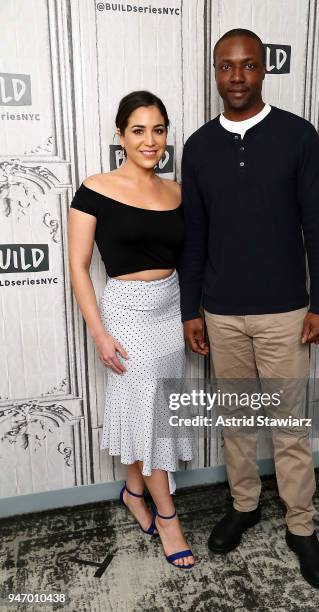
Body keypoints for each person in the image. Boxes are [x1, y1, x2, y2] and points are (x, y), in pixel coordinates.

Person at [178, 29, 319, 588]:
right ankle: (244, 506)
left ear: (264, 70)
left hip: (286, 313)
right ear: (216, 73)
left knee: (289, 427)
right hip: (221, 313)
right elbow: (194, 235)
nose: (237, 77)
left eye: (247, 66)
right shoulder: (198, 146)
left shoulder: (297, 136)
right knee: (238, 425)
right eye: (227, 67)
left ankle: (301, 526)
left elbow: (317, 224)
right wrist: (190, 309)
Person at [68, 91, 194, 569]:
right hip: (126, 312)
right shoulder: (95, 188)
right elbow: (79, 268)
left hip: (169, 309)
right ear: (120, 135)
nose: (150, 140)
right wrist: (99, 333)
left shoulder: (178, 191)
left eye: (158, 129)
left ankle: (133, 493)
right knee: (152, 413)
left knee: (146, 410)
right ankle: (168, 518)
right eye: (138, 130)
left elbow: (191, 258)